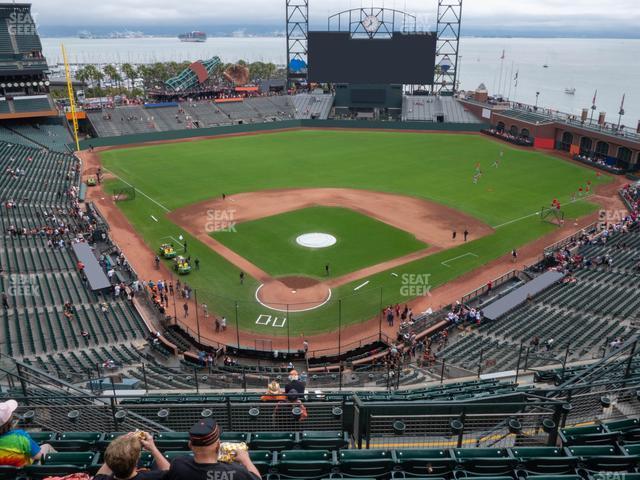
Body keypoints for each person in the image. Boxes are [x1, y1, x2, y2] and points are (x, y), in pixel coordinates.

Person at [162, 418, 261, 480]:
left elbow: (168, 472)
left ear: (190, 445)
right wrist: (246, 460)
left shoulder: (178, 464)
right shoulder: (237, 472)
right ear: (218, 445)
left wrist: (152, 448)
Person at [0, 399, 56, 467]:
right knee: (47, 446)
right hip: (24, 472)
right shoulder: (20, 436)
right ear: (10, 421)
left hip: (5, 474)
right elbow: (38, 456)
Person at [94, 432, 169, 480]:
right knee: (156, 462)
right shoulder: (153, 477)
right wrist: (153, 448)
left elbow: (99, 475)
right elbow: (172, 473)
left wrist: (120, 444)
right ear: (136, 461)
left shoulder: (101, 479)